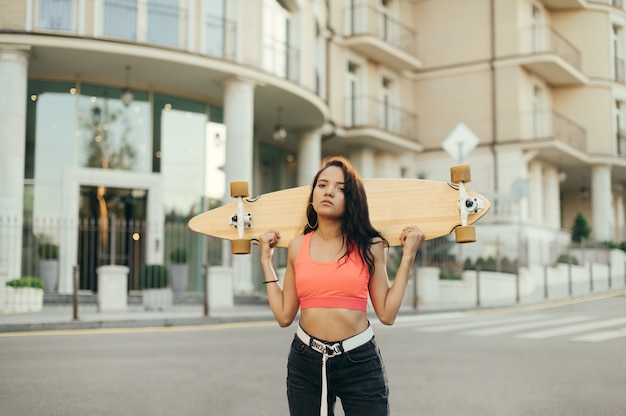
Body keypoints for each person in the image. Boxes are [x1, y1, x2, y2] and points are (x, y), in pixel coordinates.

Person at [259, 156, 424, 416]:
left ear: (352, 199)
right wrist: (266, 261)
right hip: (306, 362)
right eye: (322, 185)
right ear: (313, 193)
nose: (329, 192)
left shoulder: (370, 246)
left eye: (340, 188)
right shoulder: (297, 247)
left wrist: (408, 257)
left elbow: (387, 314)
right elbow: (283, 316)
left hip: (358, 360)